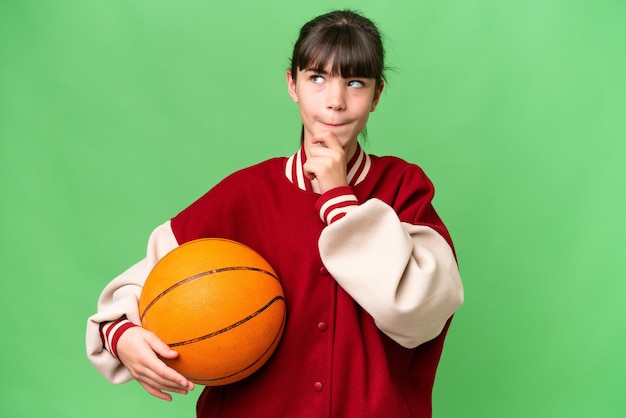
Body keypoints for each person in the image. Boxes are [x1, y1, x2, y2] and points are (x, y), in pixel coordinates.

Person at [86, 9, 464, 418]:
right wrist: (121, 334)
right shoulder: (246, 193)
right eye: (317, 78)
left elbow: (424, 312)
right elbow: (141, 284)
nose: (335, 101)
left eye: (355, 82)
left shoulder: (405, 187)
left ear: (376, 95)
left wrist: (339, 198)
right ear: (292, 84)